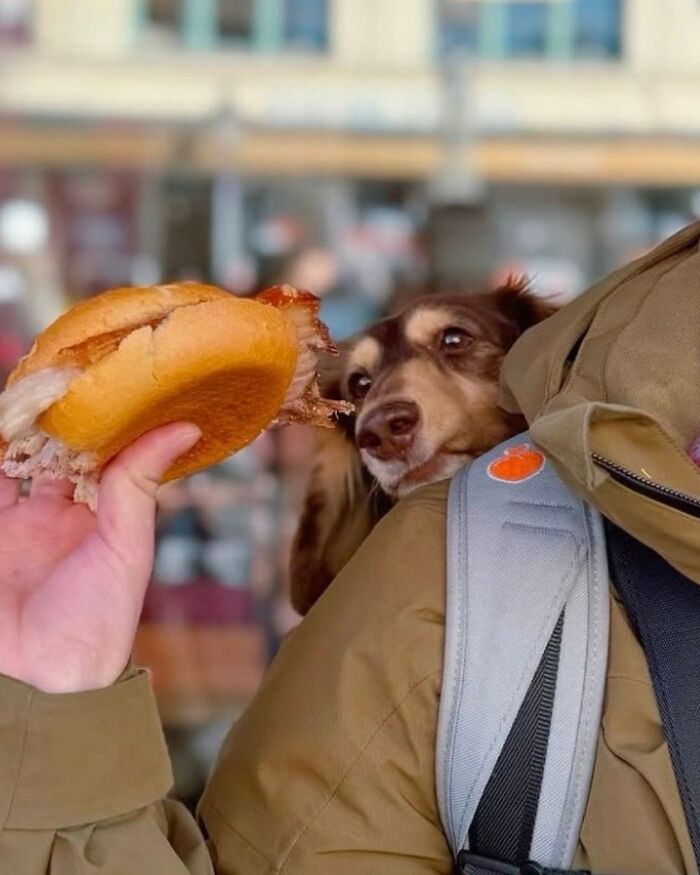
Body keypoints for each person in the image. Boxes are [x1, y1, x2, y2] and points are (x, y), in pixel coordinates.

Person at [2, 220, 700, 874]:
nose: (384, 413)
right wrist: (56, 708)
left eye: (454, 344)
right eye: (362, 387)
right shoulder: (397, 634)